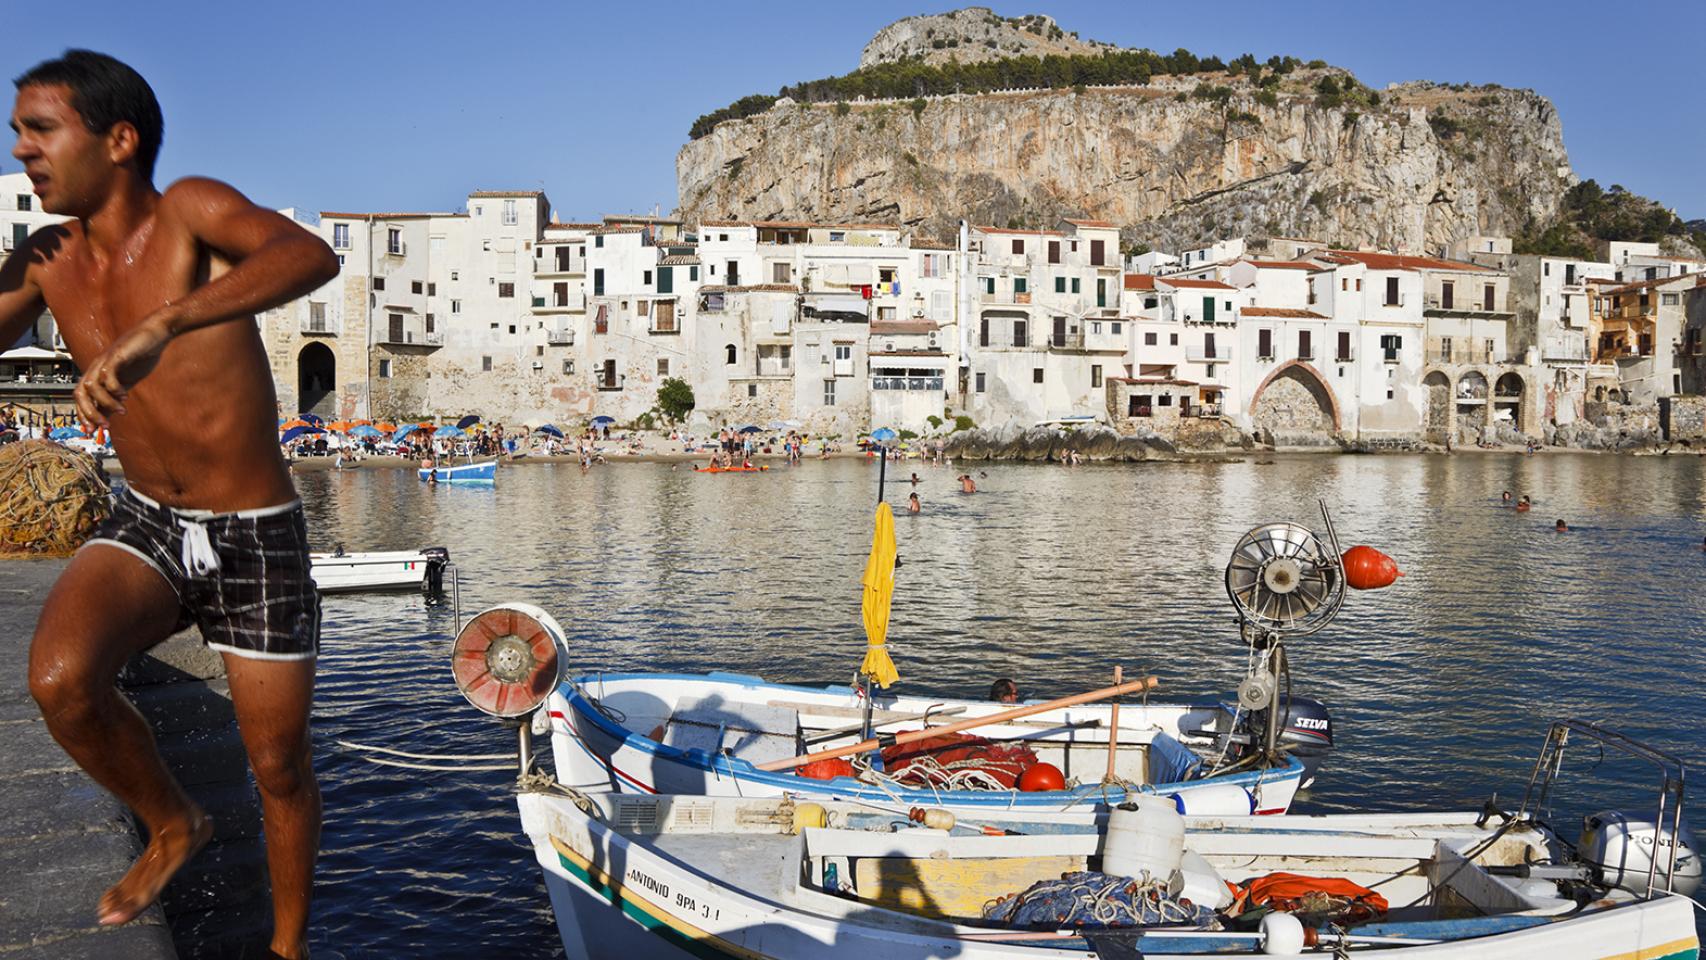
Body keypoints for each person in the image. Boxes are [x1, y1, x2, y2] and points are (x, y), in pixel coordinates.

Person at [3, 52, 338, 958]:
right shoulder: (44, 257)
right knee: (60, 681)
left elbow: (310, 254)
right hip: (149, 518)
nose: (22, 145)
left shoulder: (189, 209)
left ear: (119, 140)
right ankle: (173, 822)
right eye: (17, 130)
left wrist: (168, 321)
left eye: (41, 128)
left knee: (276, 766)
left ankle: (289, 948)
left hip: (255, 535)